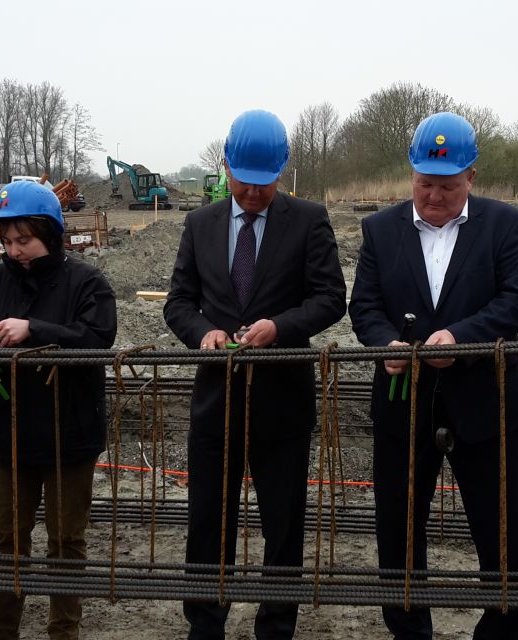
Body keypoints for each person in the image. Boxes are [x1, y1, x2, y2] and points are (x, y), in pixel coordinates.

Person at [348, 111, 518, 639]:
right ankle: (410, 631)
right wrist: (384, 343)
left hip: (485, 403)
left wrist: (460, 338)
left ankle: (500, 632)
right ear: (411, 174)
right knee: (399, 531)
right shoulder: (380, 230)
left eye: (448, 186)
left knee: (501, 534)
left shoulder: (505, 225)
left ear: (471, 176)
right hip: (403, 402)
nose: (434, 196)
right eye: (424, 183)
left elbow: (517, 302)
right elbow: (364, 306)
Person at [163, 109, 346, 640]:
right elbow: (179, 302)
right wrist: (204, 333)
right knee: (207, 522)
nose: (251, 193)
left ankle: (276, 627)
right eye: (242, 181)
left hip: (282, 404)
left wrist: (280, 327)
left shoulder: (308, 220)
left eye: (263, 184)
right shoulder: (200, 225)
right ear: (226, 166)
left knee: (283, 525)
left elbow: (330, 297)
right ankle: (205, 625)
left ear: (281, 171)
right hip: (216, 403)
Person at [0, 180, 117, 640]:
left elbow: (97, 339)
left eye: (23, 240)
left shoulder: (87, 283)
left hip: (70, 437)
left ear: (50, 233)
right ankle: (0, 630)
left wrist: (34, 329)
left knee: (65, 541)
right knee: (7, 539)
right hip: (9, 437)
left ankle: (63, 630)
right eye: (7, 241)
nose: (14, 250)